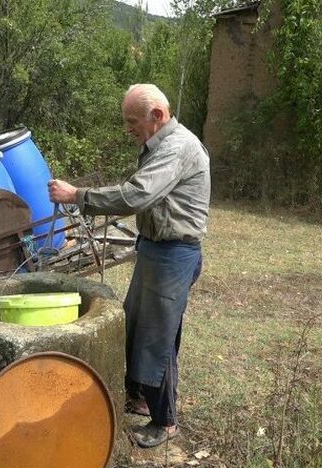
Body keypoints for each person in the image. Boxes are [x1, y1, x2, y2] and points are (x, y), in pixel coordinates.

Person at [47, 83, 209, 448]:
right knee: (136, 324)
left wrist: (78, 196)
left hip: (173, 255)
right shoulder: (159, 145)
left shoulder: (178, 147)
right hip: (155, 250)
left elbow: (138, 194)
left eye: (132, 121)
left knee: (158, 338)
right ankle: (138, 396)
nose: (128, 129)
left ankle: (165, 421)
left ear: (157, 116)